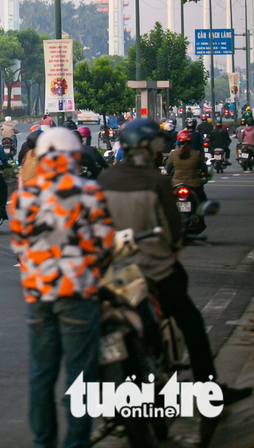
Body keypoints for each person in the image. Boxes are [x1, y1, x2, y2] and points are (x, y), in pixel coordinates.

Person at [99, 119, 252, 407]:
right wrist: (173, 245)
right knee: (192, 323)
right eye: (157, 144)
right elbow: (172, 229)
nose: (161, 149)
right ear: (146, 147)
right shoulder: (157, 181)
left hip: (116, 272)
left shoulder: (105, 180)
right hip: (154, 269)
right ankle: (209, 387)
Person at [10, 127, 115, 448]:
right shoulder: (89, 192)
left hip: (38, 295)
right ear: (73, 157)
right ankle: (76, 442)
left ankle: (44, 441)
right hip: (79, 293)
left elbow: (19, 247)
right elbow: (107, 243)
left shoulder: (22, 198)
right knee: (81, 375)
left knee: (41, 374)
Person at [165, 129, 210, 204]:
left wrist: (168, 173)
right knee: (202, 200)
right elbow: (203, 167)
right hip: (193, 183)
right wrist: (205, 173)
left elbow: (168, 169)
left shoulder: (173, 154)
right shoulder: (197, 153)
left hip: (176, 183)